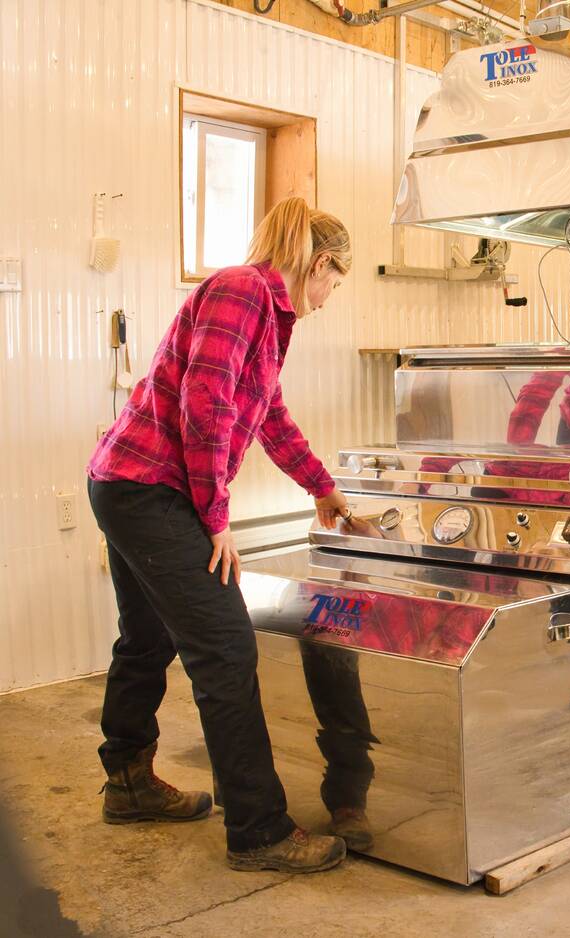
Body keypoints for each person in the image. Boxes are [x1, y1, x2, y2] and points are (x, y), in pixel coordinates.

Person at [87, 197, 354, 870]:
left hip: (129, 484)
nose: (328, 299)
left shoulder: (265, 312)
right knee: (227, 649)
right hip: (151, 490)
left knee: (146, 637)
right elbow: (204, 407)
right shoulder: (243, 291)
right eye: (335, 283)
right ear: (320, 263)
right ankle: (259, 831)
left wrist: (322, 486)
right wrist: (216, 518)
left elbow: (266, 415)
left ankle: (128, 782)